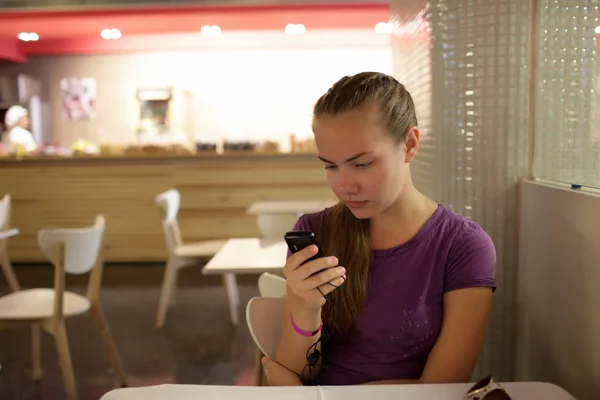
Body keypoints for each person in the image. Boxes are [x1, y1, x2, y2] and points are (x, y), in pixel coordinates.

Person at [262, 72, 497, 386]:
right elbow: (297, 375)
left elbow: (441, 389)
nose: (344, 186)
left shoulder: (463, 246)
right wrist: (306, 306)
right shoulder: (315, 232)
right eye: (330, 165)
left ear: (410, 145)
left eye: (362, 164)